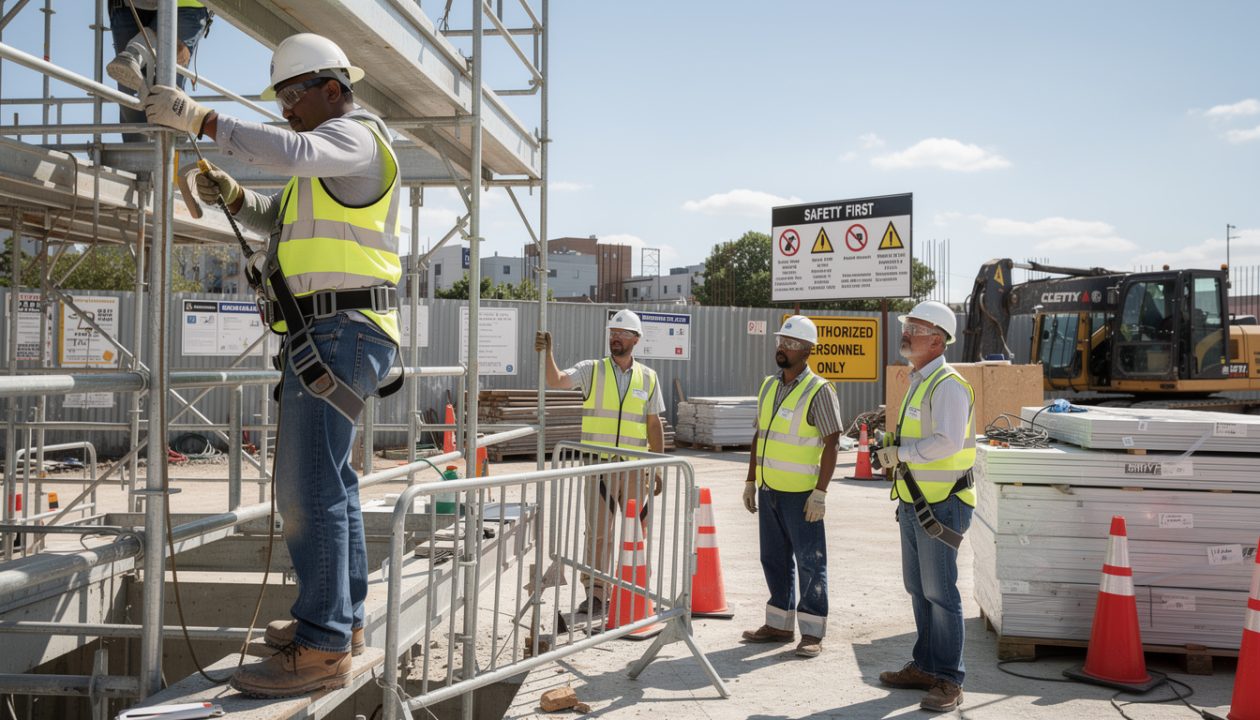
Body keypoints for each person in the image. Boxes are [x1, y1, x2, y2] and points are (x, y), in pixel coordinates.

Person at [142, 33, 403, 698]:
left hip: (340, 329)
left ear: (333, 90)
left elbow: (292, 151)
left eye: (292, 96)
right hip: (336, 331)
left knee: (307, 489)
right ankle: (339, 625)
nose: (285, 109)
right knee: (331, 484)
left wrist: (201, 119)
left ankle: (321, 645)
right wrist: (235, 197)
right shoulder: (325, 164)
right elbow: (279, 220)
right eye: (280, 99)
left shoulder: (355, 138)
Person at [874, 300, 975, 713]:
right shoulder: (920, 380)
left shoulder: (947, 384)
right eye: (907, 326)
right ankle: (927, 665)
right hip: (917, 501)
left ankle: (950, 679)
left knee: (940, 593)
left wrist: (901, 453)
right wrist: (895, 449)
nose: (906, 333)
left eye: (914, 329)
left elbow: (947, 442)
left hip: (943, 504)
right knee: (918, 589)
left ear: (937, 340)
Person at [535, 310, 664, 619]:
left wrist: (657, 466)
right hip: (599, 468)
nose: (615, 338)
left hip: (634, 468)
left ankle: (633, 590)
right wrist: (547, 353)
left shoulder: (648, 377)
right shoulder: (592, 370)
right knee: (599, 535)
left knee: (636, 533)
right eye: (612, 333)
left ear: (636, 339)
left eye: (622, 333)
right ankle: (596, 593)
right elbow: (557, 380)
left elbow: (653, 423)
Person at [740, 315, 841, 659]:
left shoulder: (819, 390)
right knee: (773, 558)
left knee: (810, 562)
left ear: (808, 350)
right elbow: (760, 435)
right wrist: (751, 480)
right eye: (781, 341)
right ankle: (779, 625)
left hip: (801, 495)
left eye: (791, 343)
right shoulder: (768, 386)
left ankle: (812, 632)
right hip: (769, 489)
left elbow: (832, 442)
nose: (783, 347)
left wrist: (821, 493)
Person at [107, 0, 211, 142]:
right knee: (133, 99)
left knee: (164, 93)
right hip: (129, 6)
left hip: (181, 5)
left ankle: (170, 146)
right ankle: (142, 152)